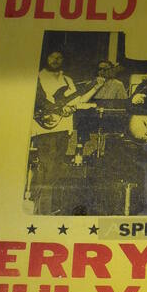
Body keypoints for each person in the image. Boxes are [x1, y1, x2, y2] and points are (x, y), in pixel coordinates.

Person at [30, 50, 104, 213]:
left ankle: (47, 209)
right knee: (46, 168)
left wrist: (96, 87)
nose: (56, 59)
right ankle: (39, 208)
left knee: (57, 169)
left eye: (59, 57)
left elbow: (78, 101)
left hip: (63, 129)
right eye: (52, 56)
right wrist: (58, 108)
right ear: (46, 58)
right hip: (45, 129)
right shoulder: (38, 76)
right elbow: (37, 100)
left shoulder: (67, 80)